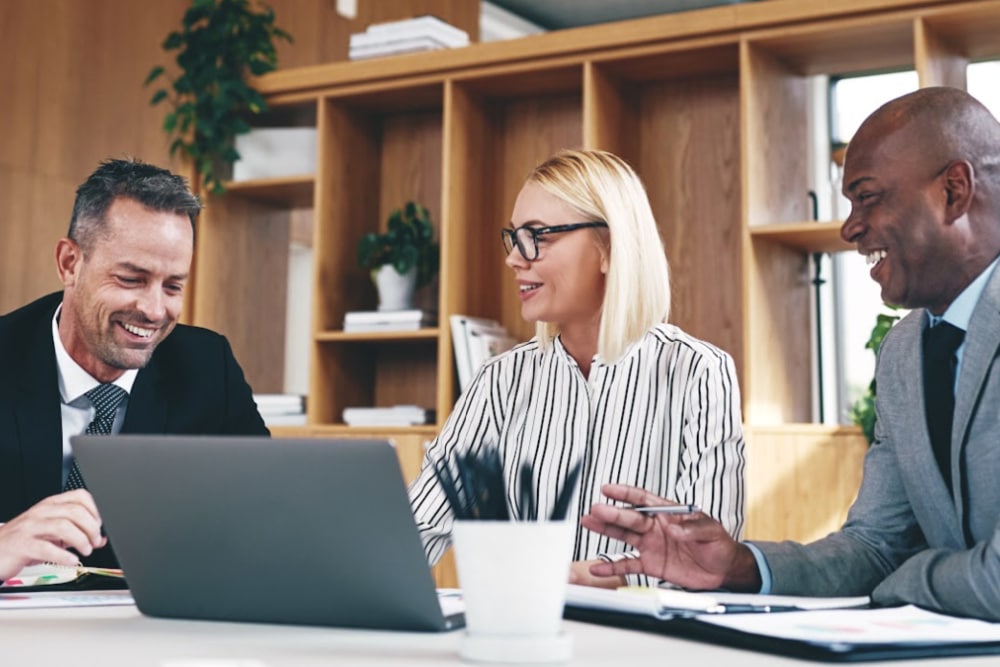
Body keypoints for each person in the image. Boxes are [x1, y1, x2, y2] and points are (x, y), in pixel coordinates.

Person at [581, 86, 1000, 620]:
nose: (850, 228)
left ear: (954, 191)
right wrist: (737, 567)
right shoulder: (903, 354)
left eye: (867, 197)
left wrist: (907, 576)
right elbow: (874, 547)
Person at [408, 148, 746, 587]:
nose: (514, 258)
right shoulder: (499, 382)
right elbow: (419, 527)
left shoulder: (699, 373)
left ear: (608, 247)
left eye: (537, 236)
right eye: (513, 238)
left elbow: (706, 562)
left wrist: (604, 580)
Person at [0, 157, 269, 571]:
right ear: (70, 263)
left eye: (173, 286)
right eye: (131, 279)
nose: (154, 309)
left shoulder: (209, 368)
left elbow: (270, 514)